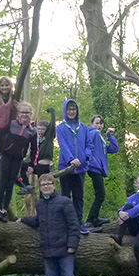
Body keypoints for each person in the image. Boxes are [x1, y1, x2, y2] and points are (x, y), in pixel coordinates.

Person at [19, 173, 82, 276]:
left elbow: (74, 225)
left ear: (54, 185)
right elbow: (38, 221)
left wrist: (72, 245)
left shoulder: (65, 202)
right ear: (40, 188)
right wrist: (23, 219)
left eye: (48, 184)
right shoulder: (40, 204)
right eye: (43, 185)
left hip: (65, 250)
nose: (46, 187)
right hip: (47, 250)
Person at [0, 102, 37, 222]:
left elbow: (35, 149)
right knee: (2, 182)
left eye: (27, 113)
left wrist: (31, 164)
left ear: (31, 114)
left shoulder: (33, 131)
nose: (24, 115)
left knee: (10, 184)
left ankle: (4, 210)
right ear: (18, 113)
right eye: (22, 112)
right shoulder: (12, 124)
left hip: (18, 159)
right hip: (6, 156)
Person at [57, 99, 93, 233]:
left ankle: (79, 224)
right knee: (66, 196)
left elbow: (89, 144)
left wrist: (86, 157)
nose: (71, 112)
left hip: (81, 168)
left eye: (74, 109)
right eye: (69, 109)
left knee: (79, 197)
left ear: (77, 111)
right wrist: (71, 159)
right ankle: (65, 224)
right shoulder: (61, 127)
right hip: (66, 167)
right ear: (65, 111)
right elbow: (63, 145)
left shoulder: (83, 127)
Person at [85, 115, 119, 228]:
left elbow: (114, 149)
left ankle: (95, 218)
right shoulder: (93, 133)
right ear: (91, 124)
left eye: (101, 123)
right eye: (97, 123)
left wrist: (109, 135)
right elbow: (87, 145)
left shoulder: (100, 139)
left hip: (98, 168)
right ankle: (90, 220)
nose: (99, 125)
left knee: (100, 194)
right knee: (100, 194)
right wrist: (89, 160)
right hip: (94, 167)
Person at [17, 107, 56, 196]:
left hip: (44, 166)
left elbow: (52, 125)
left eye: (42, 129)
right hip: (36, 165)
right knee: (21, 164)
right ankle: (27, 186)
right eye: (39, 129)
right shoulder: (36, 139)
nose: (40, 131)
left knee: (44, 187)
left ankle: (48, 202)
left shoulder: (48, 138)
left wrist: (52, 113)